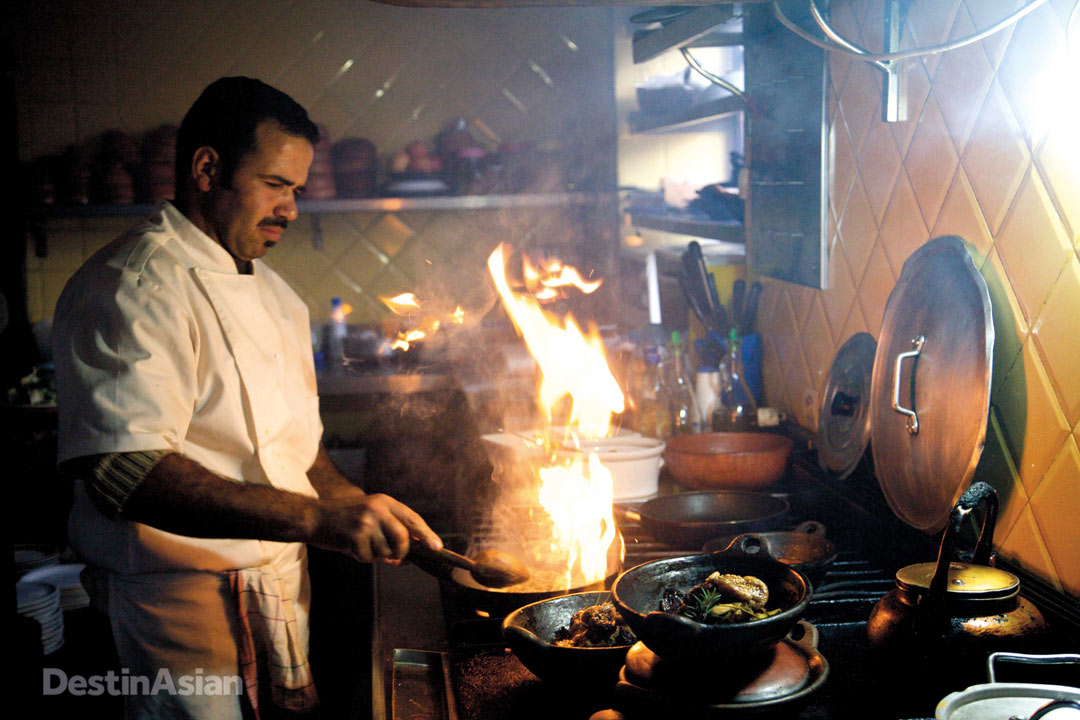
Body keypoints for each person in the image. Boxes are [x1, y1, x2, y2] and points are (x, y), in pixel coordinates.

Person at [52, 76, 443, 720]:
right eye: (276, 185)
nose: (291, 209)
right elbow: (126, 473)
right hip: (173, 619)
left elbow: (297, 453)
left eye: (298, 190)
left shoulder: (277, 296)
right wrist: (318, 522)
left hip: (281, 597)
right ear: (207, 169)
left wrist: (357, 506)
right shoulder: (133, 285)